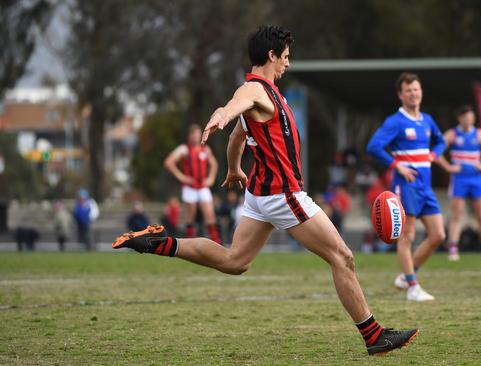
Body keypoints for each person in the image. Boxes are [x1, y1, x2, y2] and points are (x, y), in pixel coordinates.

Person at [113, 25, 417, 356]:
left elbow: (237, 138)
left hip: (260, 195)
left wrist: (232, 168)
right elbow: (233, 108)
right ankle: (374, 336)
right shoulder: (256, 90)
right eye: (285, 57)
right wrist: (222, 115)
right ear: (271, 56)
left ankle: (155, 242)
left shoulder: (270, 94)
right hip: (282, 194)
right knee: (342, 257)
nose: (288, 63)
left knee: (235, 260)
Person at [366, 72, 446, 302]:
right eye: (408, 90)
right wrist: (396, 165)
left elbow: (440, 142)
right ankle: (413, 287)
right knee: (407, 237)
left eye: (416, 89)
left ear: (421, 92)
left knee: (438, 235)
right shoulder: (395, 122)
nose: (413, 94)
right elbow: (374, 146)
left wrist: (434, 155)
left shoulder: (427, 120)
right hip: (406, 186)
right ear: (400, 94)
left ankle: (406, 276)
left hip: (426, 187)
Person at [437, 105, 481, 262]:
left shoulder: (479, 134)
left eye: (470, 117)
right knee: (456, 215)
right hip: (459, 179)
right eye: (465, 117)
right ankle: (453, 248)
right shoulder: (452, 134)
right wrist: (448, 167)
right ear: (459, 118)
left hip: (476, 179)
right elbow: (437, 152)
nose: (468, 119)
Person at [165, 124, 221, 243]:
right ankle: (190, 243)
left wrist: (211, 178)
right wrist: (181, 177)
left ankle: (217, 242)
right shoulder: (184, 149)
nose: (196, 137)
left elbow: (214, 164)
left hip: (202, 187)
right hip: (190, 187)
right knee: (190, 217)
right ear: (189, 136)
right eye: (194, 134)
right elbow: (169, 162)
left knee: (210, 216)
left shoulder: (205, 149)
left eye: (198, 134)